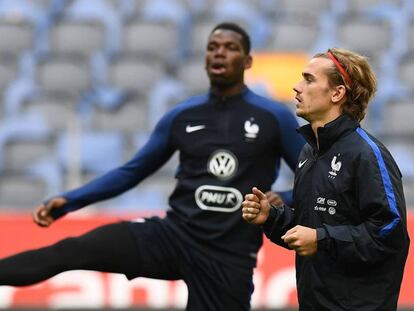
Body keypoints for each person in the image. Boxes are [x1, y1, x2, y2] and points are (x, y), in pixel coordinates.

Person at [0, 23, 304, 310]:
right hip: (175, 236)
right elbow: (133, 171)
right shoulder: (182, 116)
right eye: (213, 47)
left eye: (230, 47)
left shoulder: (274, 117)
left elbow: (312, 176)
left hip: (229, 254)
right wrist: (71, 200)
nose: (219, 52)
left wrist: (283, 199)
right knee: (72, 250)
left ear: (248, 60)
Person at [242, 48, 410, 310]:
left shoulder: (368, 154)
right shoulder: (309, 152)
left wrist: (322, 239)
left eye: (309, 79)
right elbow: (309, 227)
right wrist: (272, 217)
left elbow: (389, 232)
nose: (297, 87)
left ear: (337, 93)